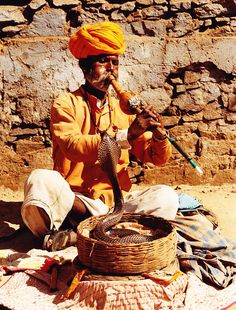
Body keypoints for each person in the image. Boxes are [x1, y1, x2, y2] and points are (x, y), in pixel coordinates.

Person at [21, 21, 179, 251]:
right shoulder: (65, 104)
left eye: (115, 62)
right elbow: (72, 146)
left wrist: (159, 136)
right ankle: (79, 231)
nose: (111, 68)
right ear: (85, 66)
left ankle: (83, 234)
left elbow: (155, 158)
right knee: (40, 180)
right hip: (76, 200)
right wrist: (128, 134)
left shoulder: (124, 107)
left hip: (116, 202)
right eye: (103, 61)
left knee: (166, 196)